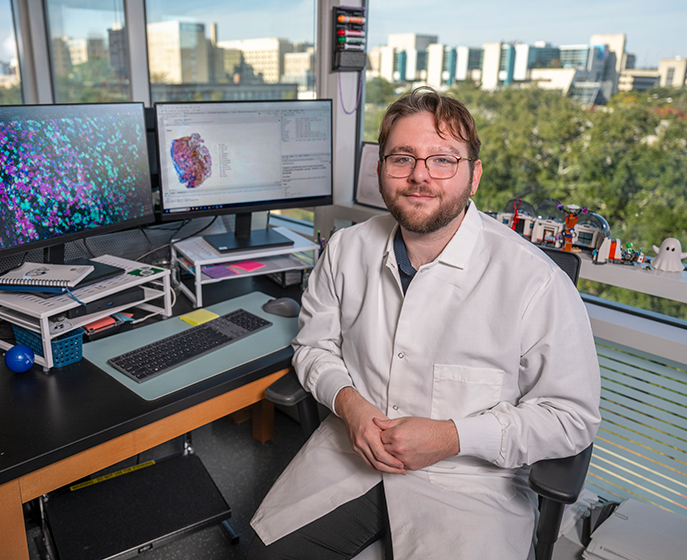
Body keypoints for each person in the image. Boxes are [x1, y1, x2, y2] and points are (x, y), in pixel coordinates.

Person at [247, 87, 601, 560]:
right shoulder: (347, 249)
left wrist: (453, 436)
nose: (419, 176)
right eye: (403, 158)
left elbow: (571, 419)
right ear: (380, 172)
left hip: (469, 484)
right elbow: (314, 348)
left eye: (442, 160)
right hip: (352, 452)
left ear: (473, 176)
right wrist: (351, 407)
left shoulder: (535, 282)